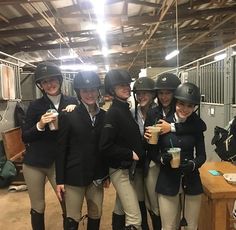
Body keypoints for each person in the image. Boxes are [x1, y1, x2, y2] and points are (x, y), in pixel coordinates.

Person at [22, 61, 78, 230]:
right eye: (45, 82)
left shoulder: (72, 101)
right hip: (35, 163)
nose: (50, 84)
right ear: (40, 85)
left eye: (53, 79)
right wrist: (40, 125)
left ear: (60, 80)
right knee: (38, 206)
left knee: (67, 204)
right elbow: (25, 136)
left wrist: (77, 111)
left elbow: (81, 131)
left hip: (59, 162)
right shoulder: (34, 106)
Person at [56, 71, 108, 230]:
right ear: (78, 92)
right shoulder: (68, 116)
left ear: (98, 91)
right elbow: (61, 149)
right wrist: (60, 180)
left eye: (93, 89)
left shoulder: (105, 116)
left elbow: (105, 147)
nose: (89, 94)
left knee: (95, 213)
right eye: (85, 90)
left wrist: (105, 173)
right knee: (72, 218)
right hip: (74, 176)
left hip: (97, 176)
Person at [156, 82, 206, 230]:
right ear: (175, 102)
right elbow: (152, 151)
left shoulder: (196, 125)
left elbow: (202, 155)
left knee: (191, 227)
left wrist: (193, 164)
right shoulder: (162, 122)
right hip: (167, 179)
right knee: (168, 226)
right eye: (181, 104)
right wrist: (161, 158)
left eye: (190, 106)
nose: (185, 109)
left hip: (191, 179)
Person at [100, 69, 145, 230]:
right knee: (134, 217)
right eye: (121, 85)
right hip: (120, 170)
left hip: (128, 169)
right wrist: (129, 153)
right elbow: (105, 146)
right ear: (112, 90)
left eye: (127, 84)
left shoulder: (125, 109)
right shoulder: (113, 113)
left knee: (120, 206)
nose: (126, 87)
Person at [111, 77, 156, 230]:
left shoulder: (158, 114)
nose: (141, 97)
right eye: (138, 94)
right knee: (131, 199)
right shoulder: (130, 113)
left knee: (152, 200)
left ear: (152, 95)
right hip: (134, 163)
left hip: (153, 162)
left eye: (145, 94)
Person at [144, 72, 181, 230]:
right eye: (161, 93)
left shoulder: (181, 111)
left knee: (174, 201)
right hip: (156, 161)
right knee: (154, 203)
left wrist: (171, 127)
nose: (164, 97)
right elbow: (148, 145)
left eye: (168, 93)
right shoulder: (152, 113)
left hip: (175, 162)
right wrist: (146, 137)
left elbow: (195, 127)